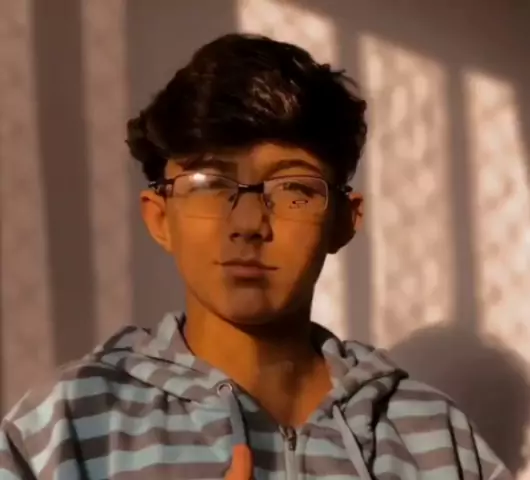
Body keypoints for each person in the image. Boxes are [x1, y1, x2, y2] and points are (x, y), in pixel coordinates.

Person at [0, 33, 512, 480]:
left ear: (344, 220)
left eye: (293, 189)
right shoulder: (69, 422)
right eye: (209, 183)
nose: (248, 223)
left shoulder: (434, 436)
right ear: (160, 218)